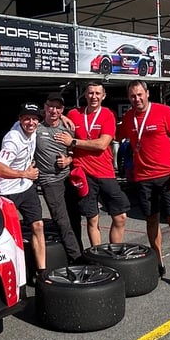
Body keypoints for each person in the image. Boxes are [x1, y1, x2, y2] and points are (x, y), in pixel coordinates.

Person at [116, 79, 170, 291]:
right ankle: (158, 263)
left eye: (140, 95)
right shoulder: (129, 118)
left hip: (168, 177)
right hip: (143, 179)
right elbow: (111, 134)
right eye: (132, 96)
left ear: (147, 94)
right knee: (152, 221)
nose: (136, 99)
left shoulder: (164, 111)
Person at [63, 81, 130, 247]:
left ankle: (115, 253)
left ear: (103, 96)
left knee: (120, 216)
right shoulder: (73, 114)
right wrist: (62, 116)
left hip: (105, 172)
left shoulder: (108, 114)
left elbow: (102, 144)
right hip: (83, 173)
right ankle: (97, 255)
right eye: (91, 93)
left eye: (97, 93)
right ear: (85, 95)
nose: (94, 97)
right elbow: (51, 116)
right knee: (92, 219)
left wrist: (73, 142)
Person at [0, 103, 46, 279]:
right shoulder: (13, 138)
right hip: (7, 191)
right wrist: (26, 173)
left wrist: (64, 117)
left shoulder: (33, 128)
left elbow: (52, 115)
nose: (31, 123)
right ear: (20, 120)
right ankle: (8, 273)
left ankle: (41, 272)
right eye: (26, 119)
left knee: (38, 225)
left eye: (34, 119)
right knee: (6, 233)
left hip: (26, 187)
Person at [33, 93, 82, 262]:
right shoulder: (36, 129)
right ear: (44, 108)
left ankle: (78, 252)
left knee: (74, 218)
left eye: (58, 107)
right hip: (49, 181)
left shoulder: (67, 127)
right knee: (62, 221)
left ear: (62, 110)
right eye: (51, 106)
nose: (54, 110)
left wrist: (68, 159)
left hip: (68, 179)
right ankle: (76, 259)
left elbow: (74, 150)